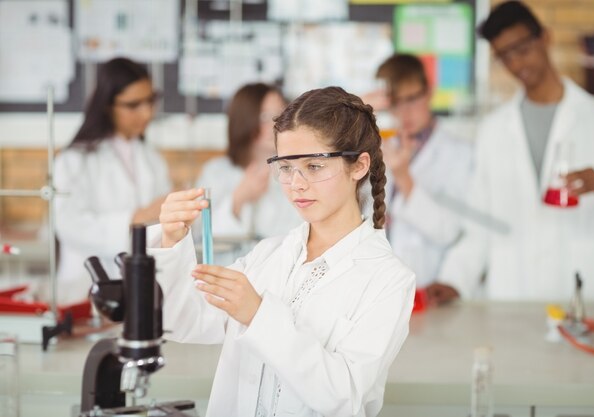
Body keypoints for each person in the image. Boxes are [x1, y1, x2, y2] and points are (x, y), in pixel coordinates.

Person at [149, 87, 415, 416]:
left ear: (359, 166)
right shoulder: (267, 256)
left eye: (314, 167)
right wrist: (171, 242)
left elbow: (344, 396)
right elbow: (183, 319)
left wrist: (258, 315)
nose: (296, 184)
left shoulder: (388, 279)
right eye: (286, 167)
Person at [428, 1, 594, 304]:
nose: (517, 64)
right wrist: (454, 279)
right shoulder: (493, 130)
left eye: (521, 49)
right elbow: (481, 221)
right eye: (504, 56)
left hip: (582, 288)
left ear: (545, 38)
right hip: (515, 292)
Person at [54, 57, 171, 305]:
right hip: (86, 289)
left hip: (140, 285)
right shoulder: (74, 160)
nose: (147, 112)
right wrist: (136, 218)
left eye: (150, 101)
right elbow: (68, 225)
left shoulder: (151, 158)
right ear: (107, 105)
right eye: (134, 105)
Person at [370, 54, 474, 287]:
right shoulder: (380, 147)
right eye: (396, 103)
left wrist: (404, 178)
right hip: (379, 287)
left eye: (411, 99)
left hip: (428, 285)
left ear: (429, 92)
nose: (404, 112)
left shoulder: (460, 154)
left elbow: (450, 232)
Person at [194, 83, 301, 241]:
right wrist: (239, 199)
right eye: (265, 117)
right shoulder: (216, 172)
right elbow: (200, 236)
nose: (276, 125)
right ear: (245, 121)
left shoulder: (296, 171)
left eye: (281, 115)